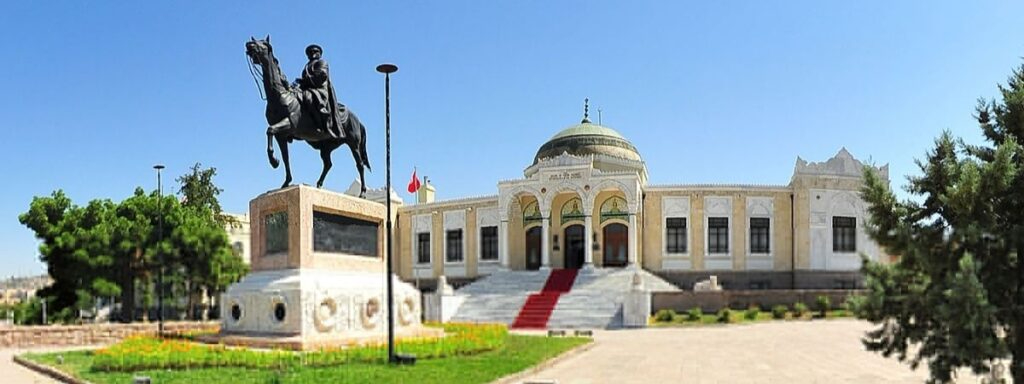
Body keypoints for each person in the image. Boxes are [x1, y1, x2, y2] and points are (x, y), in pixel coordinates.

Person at [296, 44, 343, 139]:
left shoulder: (322, 63)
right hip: (309, 89)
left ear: (320, 54)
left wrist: (304, 80)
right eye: (310, 52)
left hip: (320, 89)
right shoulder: (307, 66)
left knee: (309, 98)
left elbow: (321, 76)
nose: (313, 53)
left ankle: (320, 125)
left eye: (315, 51)